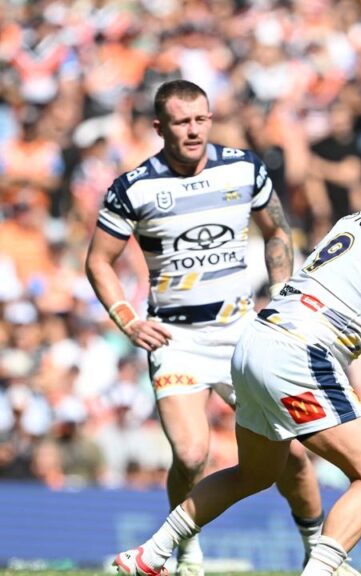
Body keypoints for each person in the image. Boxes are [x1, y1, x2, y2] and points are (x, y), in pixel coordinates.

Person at [112, 162, 361, 576]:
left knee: (254, 474)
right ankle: (324, 568)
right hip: (301, 354)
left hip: (255, 341)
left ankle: (149, 555)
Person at [85, 80, 324, 574]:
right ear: (159, 127)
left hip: (241, 333)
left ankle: (320, 553)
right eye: (181, 122)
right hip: (176, 339)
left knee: (294, 455)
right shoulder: (133, 187)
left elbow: (277, 231)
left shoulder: (244, 167)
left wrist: (281, 298)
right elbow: (99, 262)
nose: (193, 131)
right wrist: (127, 320)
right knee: (192, 454)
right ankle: (184, 549)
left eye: (201, 119)